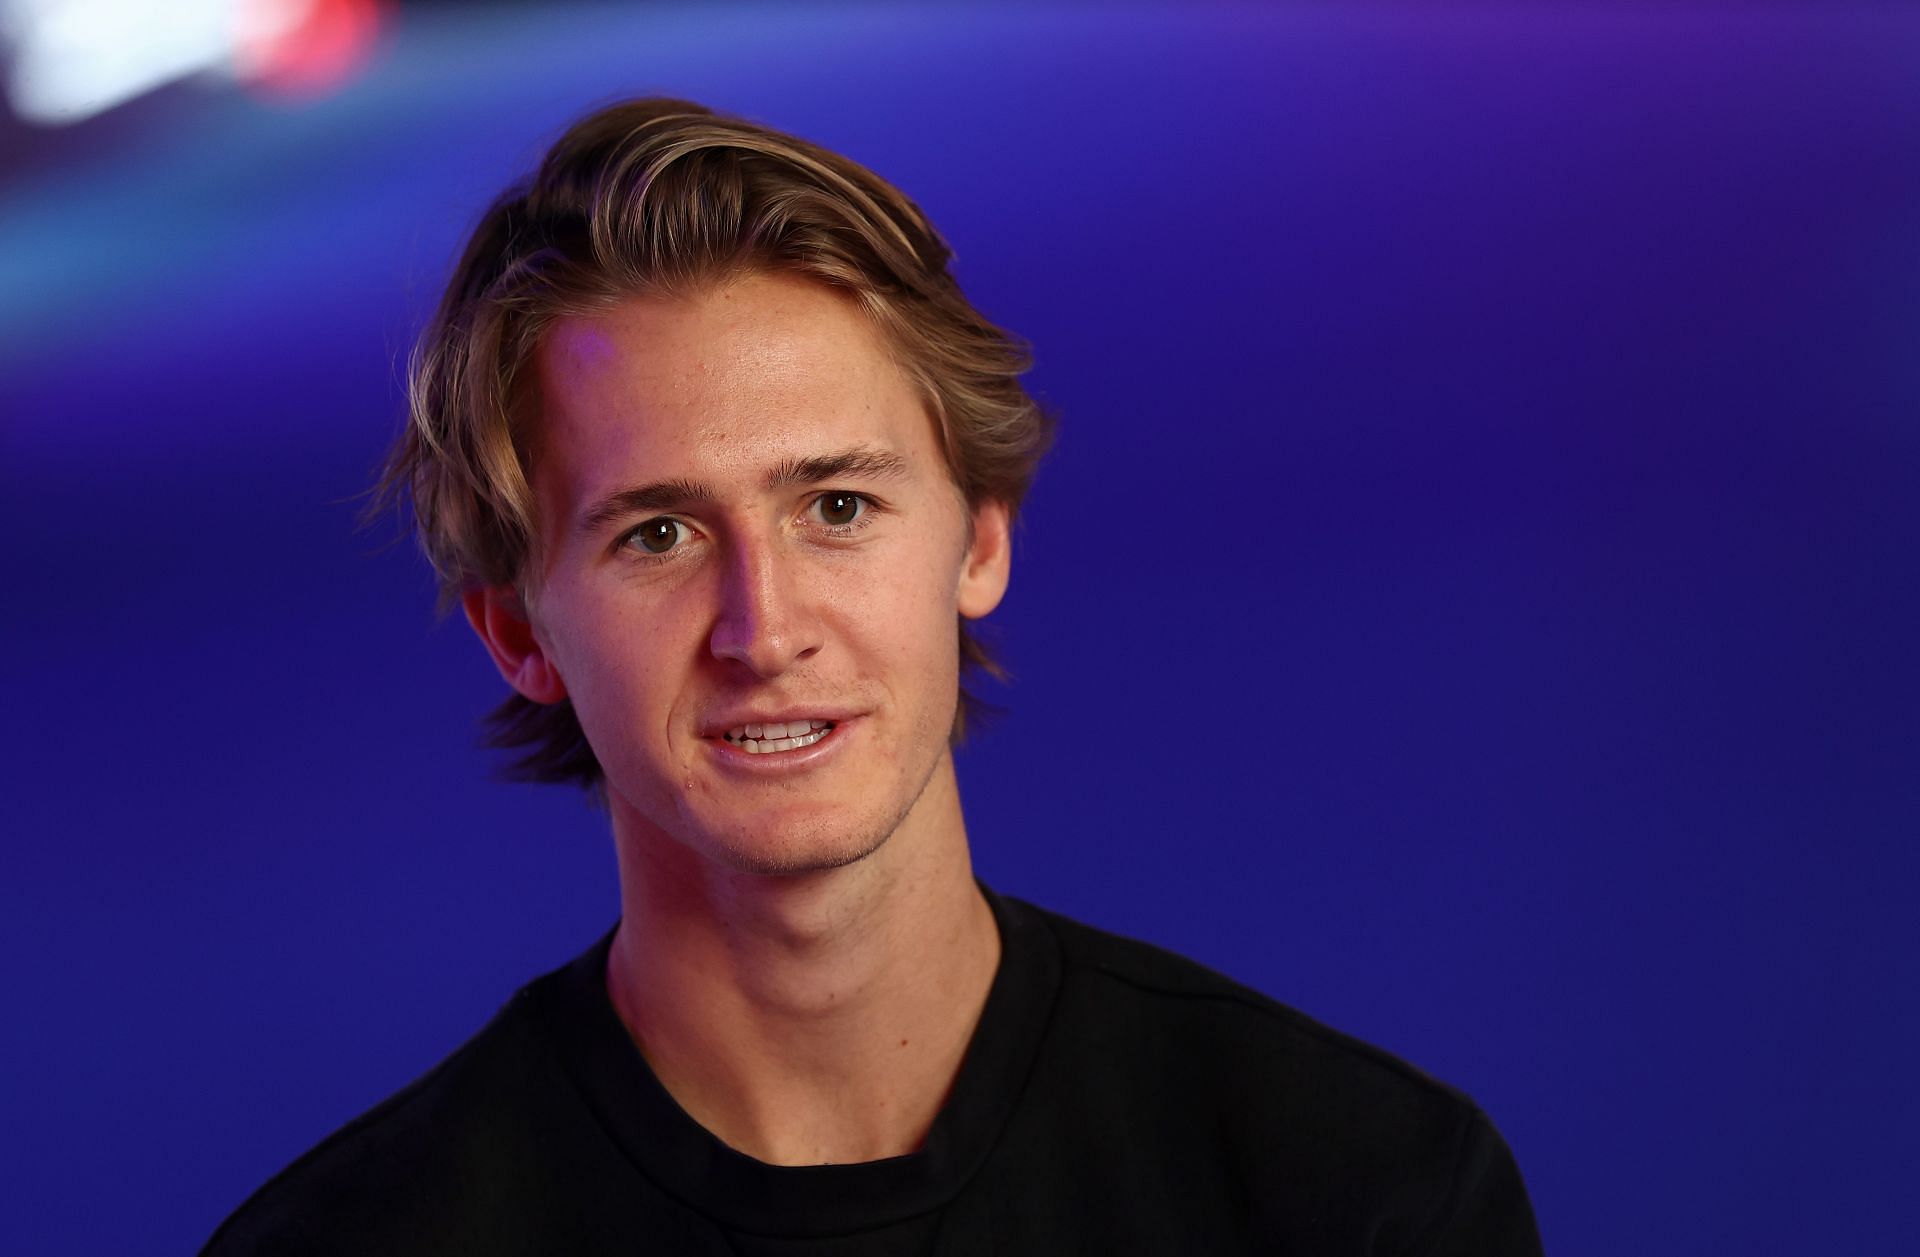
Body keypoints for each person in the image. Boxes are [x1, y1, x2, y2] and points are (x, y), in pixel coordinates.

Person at [202, 97, 1543, 1255]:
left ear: (981, 537)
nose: (763, 626)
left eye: (836, 505)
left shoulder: (1361, 1194)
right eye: (656, 534)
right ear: (520, 633)